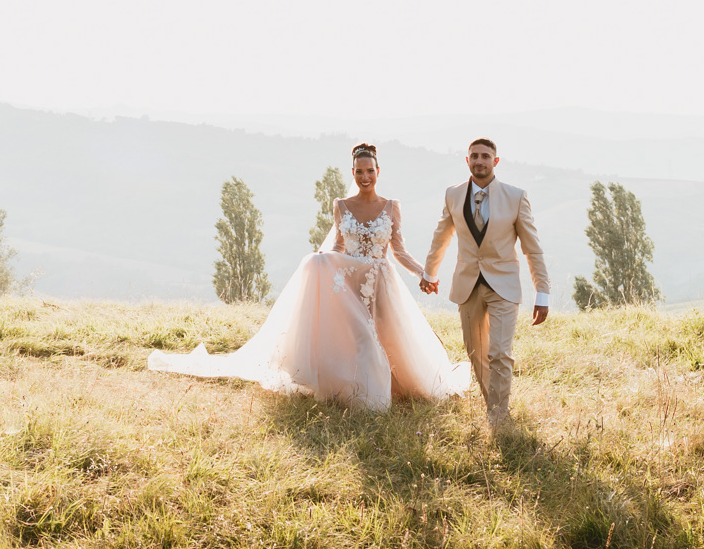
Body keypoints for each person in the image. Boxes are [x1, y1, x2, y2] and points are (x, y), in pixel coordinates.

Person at [148, 143, 472, 410]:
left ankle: (392, 387)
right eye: (359, 172)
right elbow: (338, 245)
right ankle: (367, 398)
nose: (364, 177)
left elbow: (398, 250)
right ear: (353, 173)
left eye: (370, 171)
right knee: (360, 338)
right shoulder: (341, 206)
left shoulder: (391, 206)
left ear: (378, 171)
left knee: (387, 338)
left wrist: (424, 273)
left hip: (380, 282)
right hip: (346, 281)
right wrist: (320, 259)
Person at [422, 137, 551, 431]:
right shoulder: (453, 195)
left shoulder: (515, 197)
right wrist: (430, 273)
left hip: (504, 285)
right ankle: (492, 406)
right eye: (474, 156)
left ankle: (498, 417)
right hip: (467, 284)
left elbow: (532, 248)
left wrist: (542, 292)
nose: (479, 160)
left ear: (496, 161)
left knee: (500, 353)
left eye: (485, 156)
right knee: (475, 352)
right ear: (467, 161)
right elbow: (441, 236)